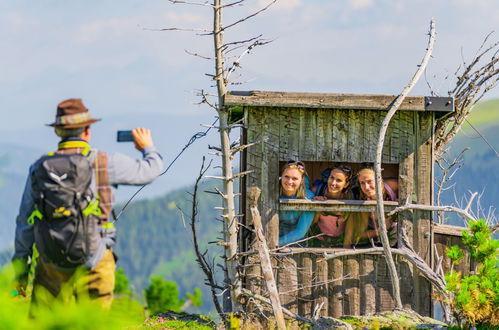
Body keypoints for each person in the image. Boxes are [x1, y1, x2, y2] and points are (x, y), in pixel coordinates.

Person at [12, 98, 164, 313]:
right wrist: (147, 147)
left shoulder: (40, 167)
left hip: (50, 260)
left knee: (49, 324)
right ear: (87, 131)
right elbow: (152, 170)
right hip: (97, 256)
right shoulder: (105, 162)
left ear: (57, 132)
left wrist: (20, 272)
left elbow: (25, 222)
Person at [308, 164, 353, 248]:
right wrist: (316, 204)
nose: (333, 183)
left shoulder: (349, 197)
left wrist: (346, 247)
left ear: (346, 184)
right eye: (331, 177)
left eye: (339, 180)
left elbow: (350, 225)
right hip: (316, 241)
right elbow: (309, 222)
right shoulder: (317, 191)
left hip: (340, 241)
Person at [354, 167, 398, 246]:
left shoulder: (391, 186)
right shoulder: (363, 200)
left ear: (379, 179)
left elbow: (409, 190)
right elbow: (360, 234)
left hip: (396, 229)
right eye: (362, 183)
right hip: (375, 234)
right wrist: (379, 230)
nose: (366, 187)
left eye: (369, 181)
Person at [278, 161, 315, 246]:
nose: (290, 182)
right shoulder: (272, 191)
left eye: (294, 178)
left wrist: (274, 244)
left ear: (302, 180)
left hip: (297, 246)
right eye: (286, 177)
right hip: (271, 239)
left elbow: (300, 231)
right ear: (281, 177)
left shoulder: (308, 198)